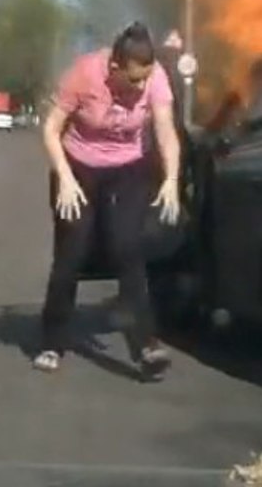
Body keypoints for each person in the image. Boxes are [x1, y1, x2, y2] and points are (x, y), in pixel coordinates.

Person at [32, 22, 183, 380]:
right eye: (134, 81)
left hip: (129, 167)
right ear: (115, 68)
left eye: (145, 79)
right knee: (73, 252)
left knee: (127, 248)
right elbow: (51, 129)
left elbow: (165, 131)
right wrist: (65, 179)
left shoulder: (155, 77)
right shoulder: (84, 74)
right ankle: (52, 341)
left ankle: (146, 345)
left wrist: (172, 181)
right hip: (78, 167)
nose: (141, 87)